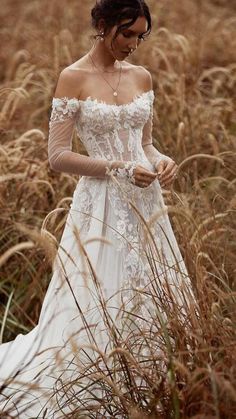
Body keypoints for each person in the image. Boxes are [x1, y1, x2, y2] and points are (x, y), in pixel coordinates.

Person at [0, 0, 197, 417]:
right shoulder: (73, 78)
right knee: (99, 292)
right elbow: (57, 156)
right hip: (101, 205)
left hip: (147, 202)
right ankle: (100, 374)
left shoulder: (141, 76)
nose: (134, 44)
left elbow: (144, 143)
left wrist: (161, 160)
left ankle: (156, 374)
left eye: (141, 35)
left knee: (152, 288)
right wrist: (117, 168)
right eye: (126, 34)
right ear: (103, 26)